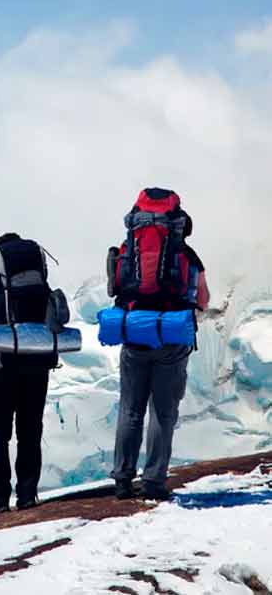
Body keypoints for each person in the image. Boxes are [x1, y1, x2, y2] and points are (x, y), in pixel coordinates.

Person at [109, 188, 210, 501]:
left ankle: (123, 480)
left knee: (130, 409)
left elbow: (114, 288)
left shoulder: (128, 249)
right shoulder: (187, 256)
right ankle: (153, 482)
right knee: (163, 412)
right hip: (171, 336)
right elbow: (204, 300)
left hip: (135, 334)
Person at [0, 233, 56, 514]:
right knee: (30, 431)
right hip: (37, 366)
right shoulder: (41, 286)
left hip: (0, 366)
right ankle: (27, 494)